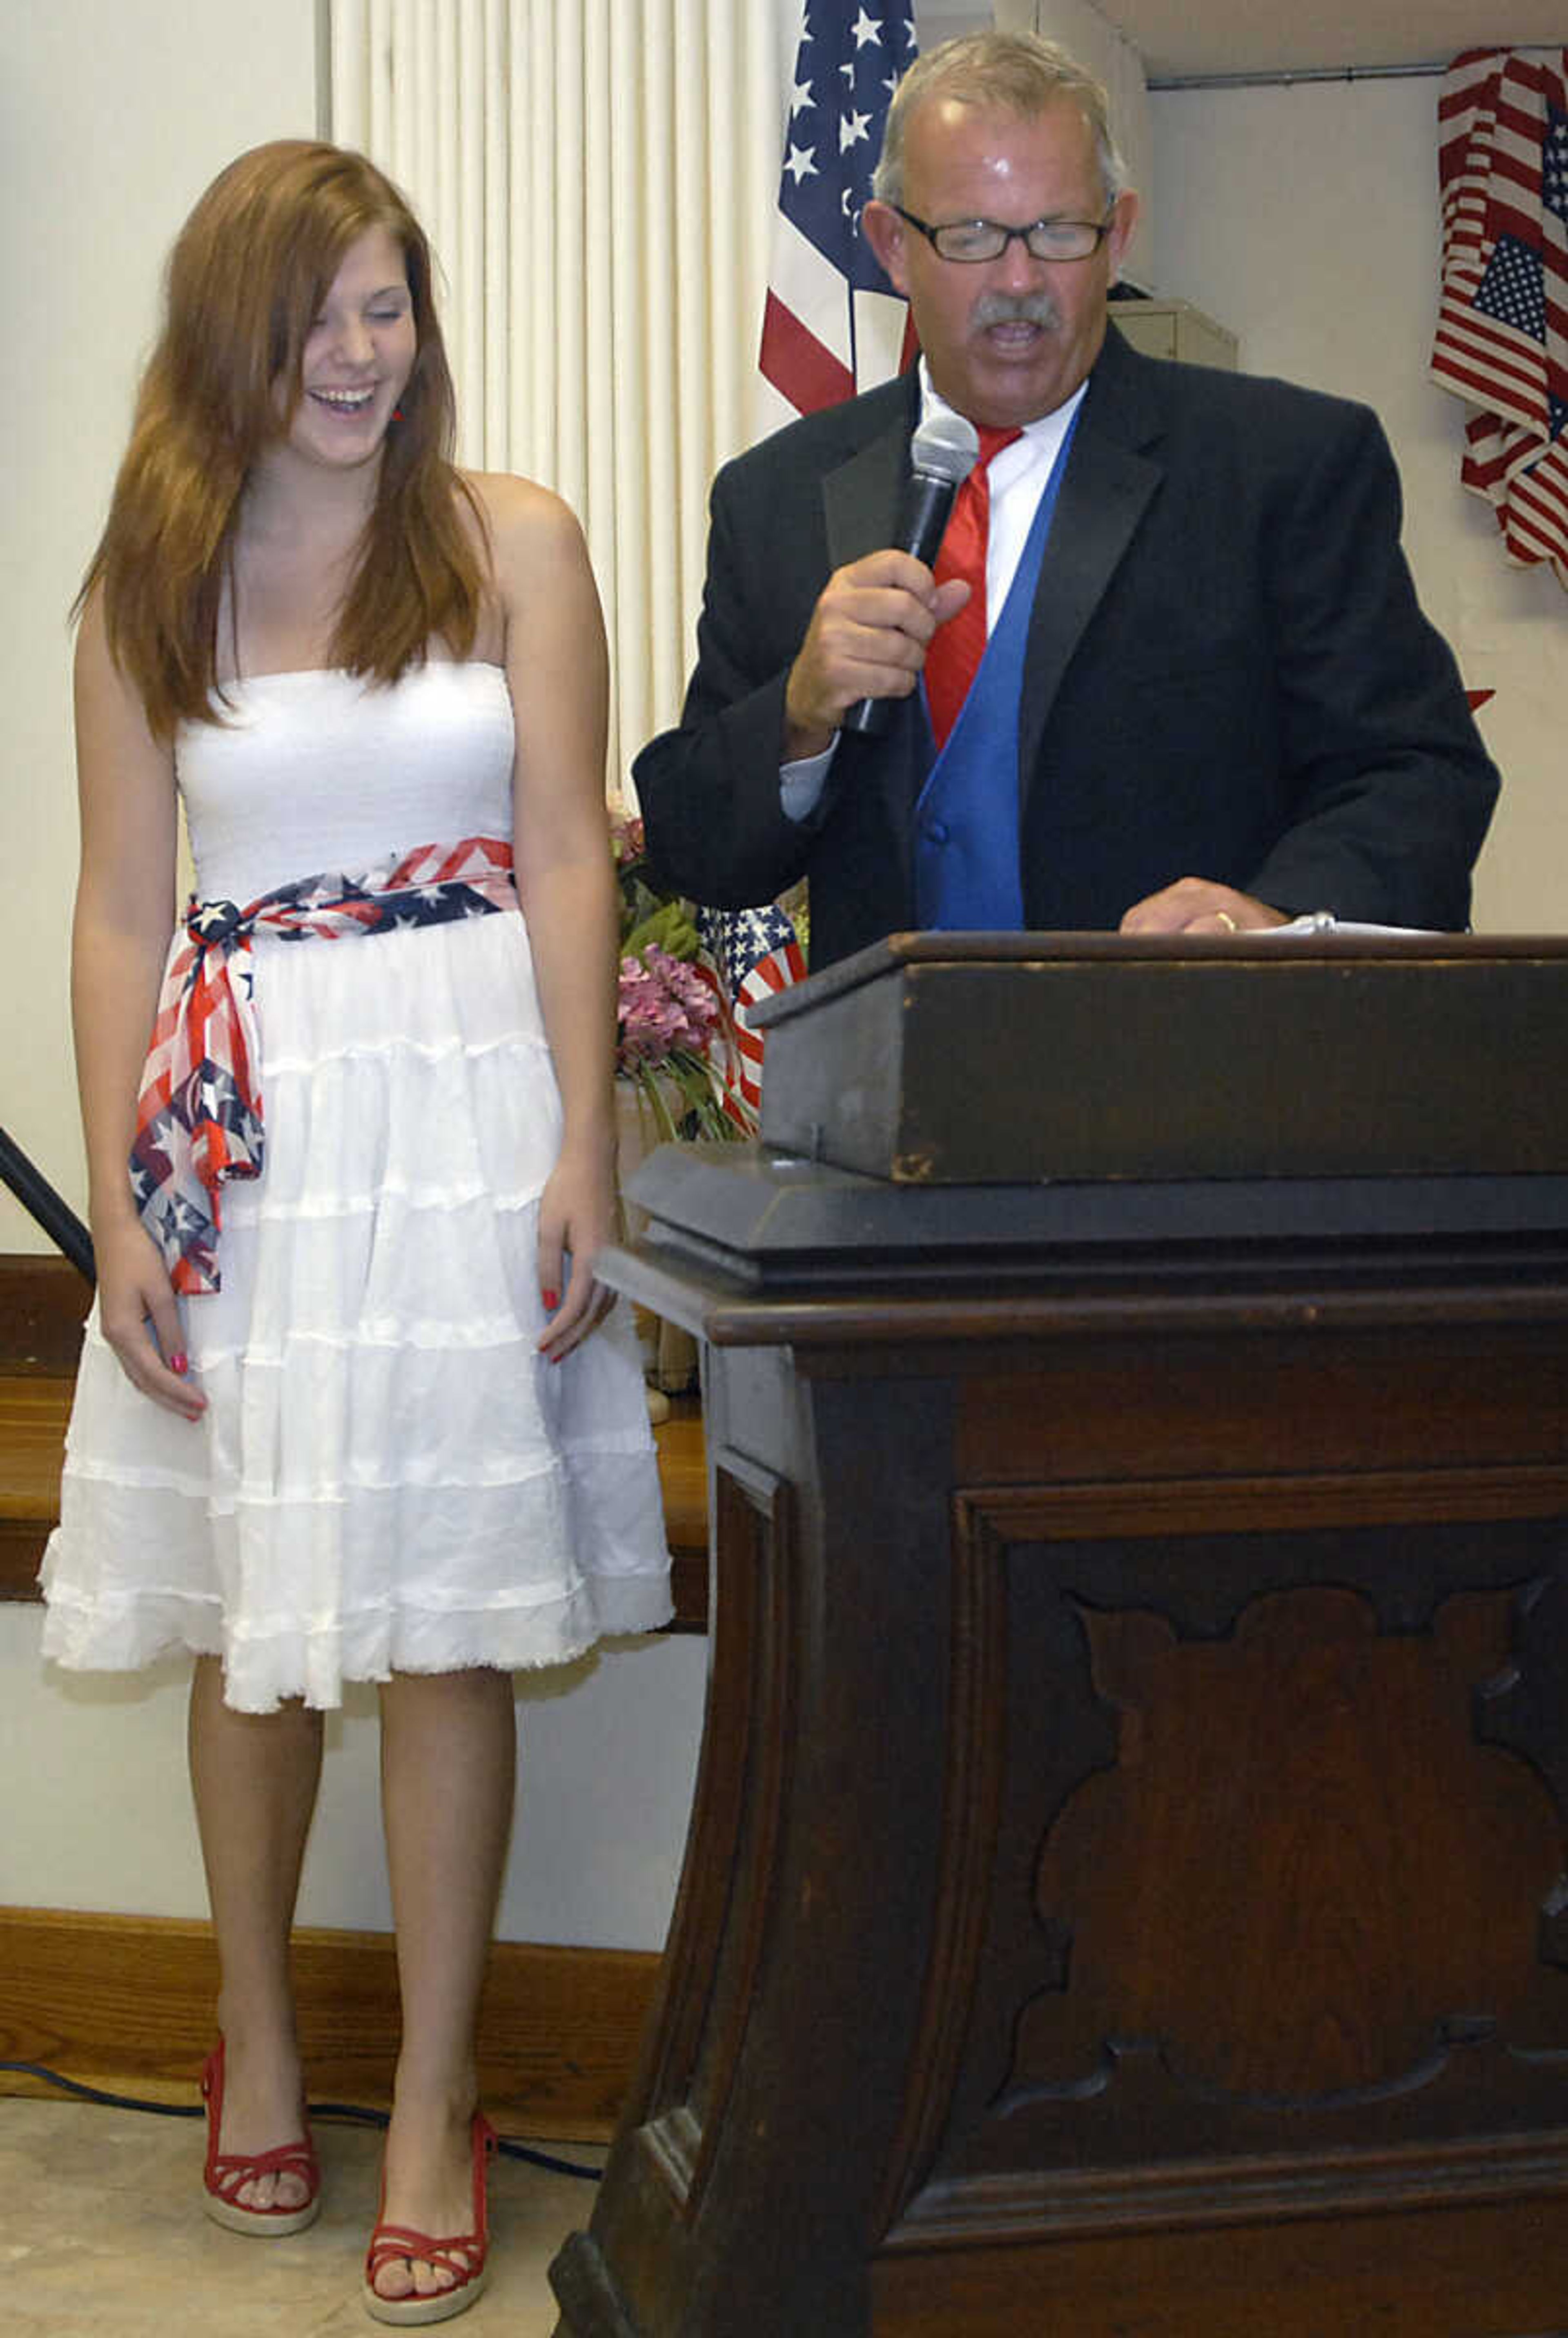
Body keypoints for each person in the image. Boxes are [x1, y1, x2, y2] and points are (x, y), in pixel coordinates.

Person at [40, 140, 670, 2326]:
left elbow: (572, 861)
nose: (359, 351)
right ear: (237, 331)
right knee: (249, 1614)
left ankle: (433, 2089)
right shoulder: (155, 567)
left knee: (448, 1616)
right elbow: (127, 904)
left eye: (388, 304)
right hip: (249, 1133)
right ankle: (265, 2036)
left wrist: (587, 1137)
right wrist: (118, 1189)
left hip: (473, 1104)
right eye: (318, 312)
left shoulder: (516, 545)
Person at [633, 32, 1499, 972]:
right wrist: (800, 714)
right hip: (894, 1098)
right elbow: (696, 851)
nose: (1018, 282)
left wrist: (1273, 918)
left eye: (1059, 233)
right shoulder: (776, 498)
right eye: (969, 237)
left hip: (1193, 1079)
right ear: (891, 246)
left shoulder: (1284, 468)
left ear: (1118, 235)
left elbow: (1419, 777)